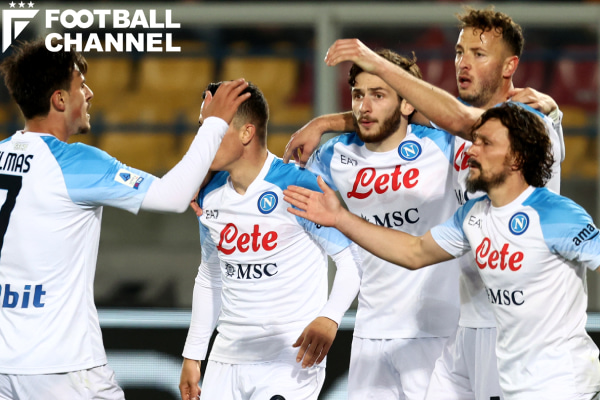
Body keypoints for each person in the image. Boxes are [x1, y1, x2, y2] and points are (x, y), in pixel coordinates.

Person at [284, 7, 565, 399]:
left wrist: (374, 61)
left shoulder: (528, 121)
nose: (463, 63)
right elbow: (395, 113)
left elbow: (459, 118)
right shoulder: (451, 131)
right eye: (459, 52)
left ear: (510, 66)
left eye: (478, 54)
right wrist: (325, 123)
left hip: (519, 324)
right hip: (468, 324)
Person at [284, 102, 600, 400]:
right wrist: (340, 218)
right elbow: (414, 251)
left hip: (561, 382)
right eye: (474, 140)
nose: (471, 150)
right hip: (504, 373)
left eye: (486, 143)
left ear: (516, 158)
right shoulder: (473, 215)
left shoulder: (557, 215)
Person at [0, 39, 250, 400]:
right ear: (60, 100)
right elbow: (172, 196)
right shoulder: (76, 163)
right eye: (80, 85)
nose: (89, 93)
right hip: (61, 367)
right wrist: (213, 124)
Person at [178, 82, 361, 400]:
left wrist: (330, 317)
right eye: (201, 128)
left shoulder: (297, 186)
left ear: (246, 133)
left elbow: (351, 261)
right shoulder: (207, 194)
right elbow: (210, 275)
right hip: (225, 361)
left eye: (212, 128)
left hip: (289, 360)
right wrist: (193, 355)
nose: (201, 140)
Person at [299, 48, 463, 400]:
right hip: (370, 330)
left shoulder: (444, 146)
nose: (364, 107)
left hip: (436, 332)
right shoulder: (335, 155)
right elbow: (285, 194)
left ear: (408, 103)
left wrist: (324, 121)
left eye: (378, 95)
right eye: (358, 95)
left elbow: (461, 118)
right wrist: (208, 186)